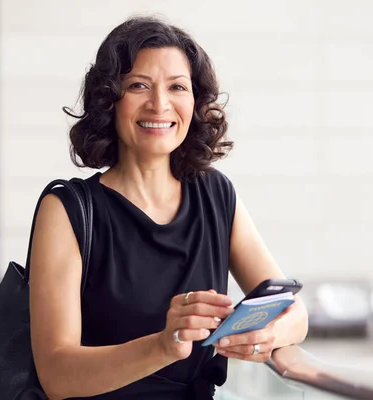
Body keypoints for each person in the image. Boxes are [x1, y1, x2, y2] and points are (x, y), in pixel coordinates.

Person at [28, 16, 308, 400]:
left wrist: (263, 336)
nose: (160, 104)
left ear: (195, 101)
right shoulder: (68, 210)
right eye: (138, 85)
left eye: (178, 87)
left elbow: (295, 314)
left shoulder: (216, 193)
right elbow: (56, 375)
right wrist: (163, 345)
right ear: (109, 99)